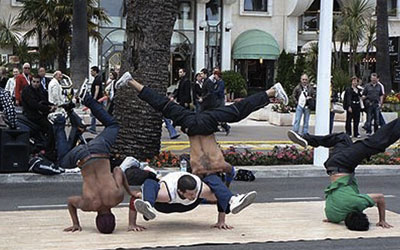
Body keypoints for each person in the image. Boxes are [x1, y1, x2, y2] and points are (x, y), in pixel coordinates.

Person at [115, 72, 288, 177]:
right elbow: (200, 171)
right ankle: (131, 81)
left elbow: (223, 168)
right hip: (193, 123)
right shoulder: (198, 165)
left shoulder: (211, 164)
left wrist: (230, 172)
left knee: (237, 111)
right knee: (163, 105)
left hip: (203, 122)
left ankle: (272, 91)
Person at [287, 124, 397, 231]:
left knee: (374, 144)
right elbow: (330, 215)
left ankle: (307, 138)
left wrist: (382, 220)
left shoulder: (356, 203)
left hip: (343, 164)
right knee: (343, 138)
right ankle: (308, 140)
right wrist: (332, 220)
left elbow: (380, 198)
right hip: (332, 166)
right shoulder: (334, 216)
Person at [59, 86, 133, 234]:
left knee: (113, 125)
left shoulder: (117, 198)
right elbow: (70, 201)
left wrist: (130, 192)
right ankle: (58, 123)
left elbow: (118, 170)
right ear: (96, 220)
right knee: (62, 161)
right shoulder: (88, 206)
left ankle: (88, 100)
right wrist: (76, 224)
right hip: (81, 157)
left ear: (113, 217)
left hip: (100, 151)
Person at [128, 171, 256, 231]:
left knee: (212, 180)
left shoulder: (201, 191)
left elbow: (219, 198)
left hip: (189, 206)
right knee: (150, 183)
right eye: (190, 194)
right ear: (180, 192)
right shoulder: (165, 193)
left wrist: (221, 221)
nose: (193, 195)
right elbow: (134, 198)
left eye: (194, 192)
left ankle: (233, 200)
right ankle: (148, 204)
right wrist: (132, 224)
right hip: (165, 206)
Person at [21, 75, 57, 158]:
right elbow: (34, 104)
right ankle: (48, 151)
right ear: (31, 81)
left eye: (37, 82)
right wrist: (48, 108)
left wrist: (53, 105)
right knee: (50, 128)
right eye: (34, 82)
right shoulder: (27, 90)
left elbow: (44, 100)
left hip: (39, 114)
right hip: (32, 115)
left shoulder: (39, 90)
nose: (35, 84)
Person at [214, 68, 230, 135]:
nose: (214, 76)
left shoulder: (221, 82)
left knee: (220, 114)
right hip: (217, 99)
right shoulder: (216, 82)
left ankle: (226, 126)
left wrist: (213, 92)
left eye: (215, 75)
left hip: (220, 100)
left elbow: (219, 91)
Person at [88, 66, 104, 134]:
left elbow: (97, 90)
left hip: (97, 100)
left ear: (95, 71)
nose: (91, 73)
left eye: (91, 71)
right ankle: (92, 127)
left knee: (94, 114)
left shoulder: (97, 79)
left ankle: (93, 128)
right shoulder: (96, 79)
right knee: (93, 114)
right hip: (97, 99)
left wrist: (94, 99)